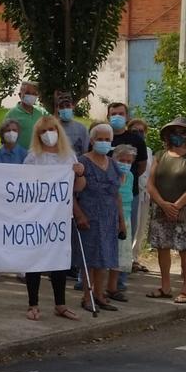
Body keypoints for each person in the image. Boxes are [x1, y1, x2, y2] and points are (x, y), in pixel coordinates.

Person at [23, 116, 84, 322]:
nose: (48, 134)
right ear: (38, 135)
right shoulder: (33, 157)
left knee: (59, 260)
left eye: (51, 129)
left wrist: (80, 174)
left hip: (60, 216)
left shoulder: (69, 156)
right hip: (37, 215)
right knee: (34, 261)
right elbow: (24, 185)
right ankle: (33, 304)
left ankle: (60, 304)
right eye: (43, 131)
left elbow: (77, 188)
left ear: (58, 131)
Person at [147, 117, 186, 304]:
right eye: (174, 132)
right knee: (162, 247)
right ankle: (165, 286)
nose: (177, 136)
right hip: (161, 208)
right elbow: (150, 183)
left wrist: (176, 206)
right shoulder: (160, 155)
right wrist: (163, 204)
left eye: (182, 132)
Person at [74, 123, 125, 313]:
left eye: (107, 140)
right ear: (92, 140)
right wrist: (79, 214)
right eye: (100, 139)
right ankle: (87, 297)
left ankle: (100, 294)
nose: (103, 143)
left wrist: (121, 220)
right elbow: (73, 192)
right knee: (89, 259)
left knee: (106, 257)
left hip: (109, 217)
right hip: (89, 216)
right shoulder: (83, 162)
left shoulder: (112, 164)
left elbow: (116, 194)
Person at [108, 102, 149, 294]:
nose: (117, 116)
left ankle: (120, 282)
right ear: (108, 116)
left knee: (125, 238)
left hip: (128, 196)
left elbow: (141, 166)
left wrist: (126, 182)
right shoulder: (103, 136)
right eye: (113, 113)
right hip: (106, 196)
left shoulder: (136, 140)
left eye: (120, 113)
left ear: (126, 115)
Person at [108, 144, 138, 303]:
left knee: (120, 255)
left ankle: (112, 288)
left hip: (126, 217)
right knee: (106, 253)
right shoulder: (109, 174)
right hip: (110, 217)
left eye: (129, 161)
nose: (125, 164)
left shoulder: (131, 176)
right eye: (122, 160)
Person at [129, 118, 154, 273]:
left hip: (146, 193)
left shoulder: (149, 150)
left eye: (141, 131)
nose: (138, 134)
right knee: (131, 225)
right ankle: (128, 258)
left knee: (140, 226)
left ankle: (135, 257)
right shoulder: (125, 149)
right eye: (134, 131)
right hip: (132, 192)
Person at [5, 81, 47, 151]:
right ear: (20, 95)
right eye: (27, 93)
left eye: (34, 94)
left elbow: (54, 124)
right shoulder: (12, 114)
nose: (31, 96)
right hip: (20, 156)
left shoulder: (42, 112)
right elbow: (5, 138)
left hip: (38, 155)